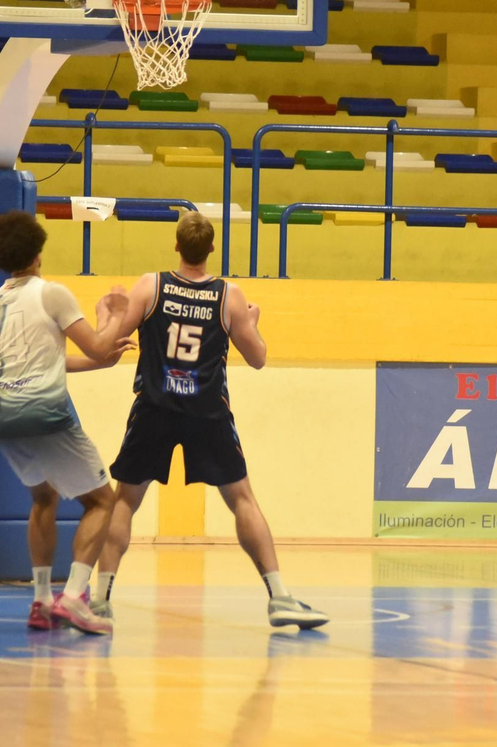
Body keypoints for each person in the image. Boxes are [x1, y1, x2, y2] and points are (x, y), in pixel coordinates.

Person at [93, 212, 328, 630]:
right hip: (207, 411)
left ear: (176, 246)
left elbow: (109, 344)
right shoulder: (229, 296)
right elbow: (258, 358)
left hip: (154, 406)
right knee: (242, 500)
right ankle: (279, 598)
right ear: (212, 248)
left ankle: (99, 601)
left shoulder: (151, 286)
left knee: (125, 501)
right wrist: (251, 323)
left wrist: (105, 316)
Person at [0, 211, 131, 635]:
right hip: (43, 412)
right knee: (102, 502)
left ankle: (42, 601)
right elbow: (99, 344)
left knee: (44, 500)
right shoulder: (52, 293)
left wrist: (99, 362)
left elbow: (46, 360)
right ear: (38, 252)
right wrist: (112, 314)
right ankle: (74, 598)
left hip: (3, 416)